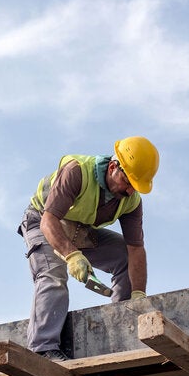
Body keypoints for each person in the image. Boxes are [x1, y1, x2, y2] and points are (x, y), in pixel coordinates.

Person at [18, 136, 159, 361]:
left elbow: (135, 250)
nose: (131, 190)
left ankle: (124, 330)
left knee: (123, 256)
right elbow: (49, 221)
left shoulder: (131, 202)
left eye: (136, 186)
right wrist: (71, 254)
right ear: (113, 167)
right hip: (42, 220)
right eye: (129, 182)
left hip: (78, 228)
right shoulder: (77, 172)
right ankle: (43, 349)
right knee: (53, 275)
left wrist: (138, 294)